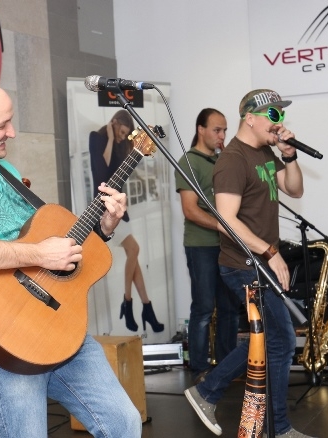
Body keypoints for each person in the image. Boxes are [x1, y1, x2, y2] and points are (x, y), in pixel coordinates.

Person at [0, 78, 142, 438]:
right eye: (1, 125)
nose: (12, 132)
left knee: (123, 423)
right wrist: (38, 253)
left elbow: (53, 254)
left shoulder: (9, 174)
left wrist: (104, 229)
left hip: (60, 328)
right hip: (4, 338)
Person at [184, 89, 316, 438]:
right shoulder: (232, 160)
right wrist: (270, 252)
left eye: (281, 115)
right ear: (250, 118)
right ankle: (276, 426)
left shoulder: (265, 152)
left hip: (258, 262)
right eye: (273, 115)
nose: (279, 122)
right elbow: (227, 220)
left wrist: (289, 156)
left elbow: (295, 190)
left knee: (270, 338)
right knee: (280, 340)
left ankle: (209, 392)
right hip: (243, 264)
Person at [175, 108, 239, 383]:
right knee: (203, 308)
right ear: (200, 130)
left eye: (224, 130)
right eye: (217, 130)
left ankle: (227, 366)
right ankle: (199, 368)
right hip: (201, 246)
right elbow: (190, 210)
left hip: (227, 247)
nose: (222, 135)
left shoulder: (223, 161)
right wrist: (223, 226)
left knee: (229, 309)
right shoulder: (188, 162)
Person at [88, 109, 164, 333]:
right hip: (102, 209)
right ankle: (128, 302)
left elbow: (122, 173)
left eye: (125, 134)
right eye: (121, 132)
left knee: (134, 258)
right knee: (134, 250)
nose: (122, 137)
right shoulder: (96, 138)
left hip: (119, 209)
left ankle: (146, 307)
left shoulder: (122, 146)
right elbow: (102, 171)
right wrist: (111, 138)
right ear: (113, 124)